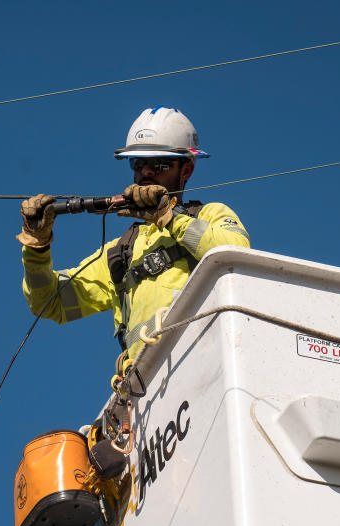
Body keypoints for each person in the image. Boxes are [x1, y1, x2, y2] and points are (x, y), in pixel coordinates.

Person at [18, 107, 251, 358]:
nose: (146, 172)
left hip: (202, 359)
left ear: (186, 171)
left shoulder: (208, 216)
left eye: (159, 163)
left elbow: (234, 253)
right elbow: (50, 303)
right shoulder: (121, 253)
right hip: (144, 383)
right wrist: (37, 247)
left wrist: (169, 217)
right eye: (138, 163)